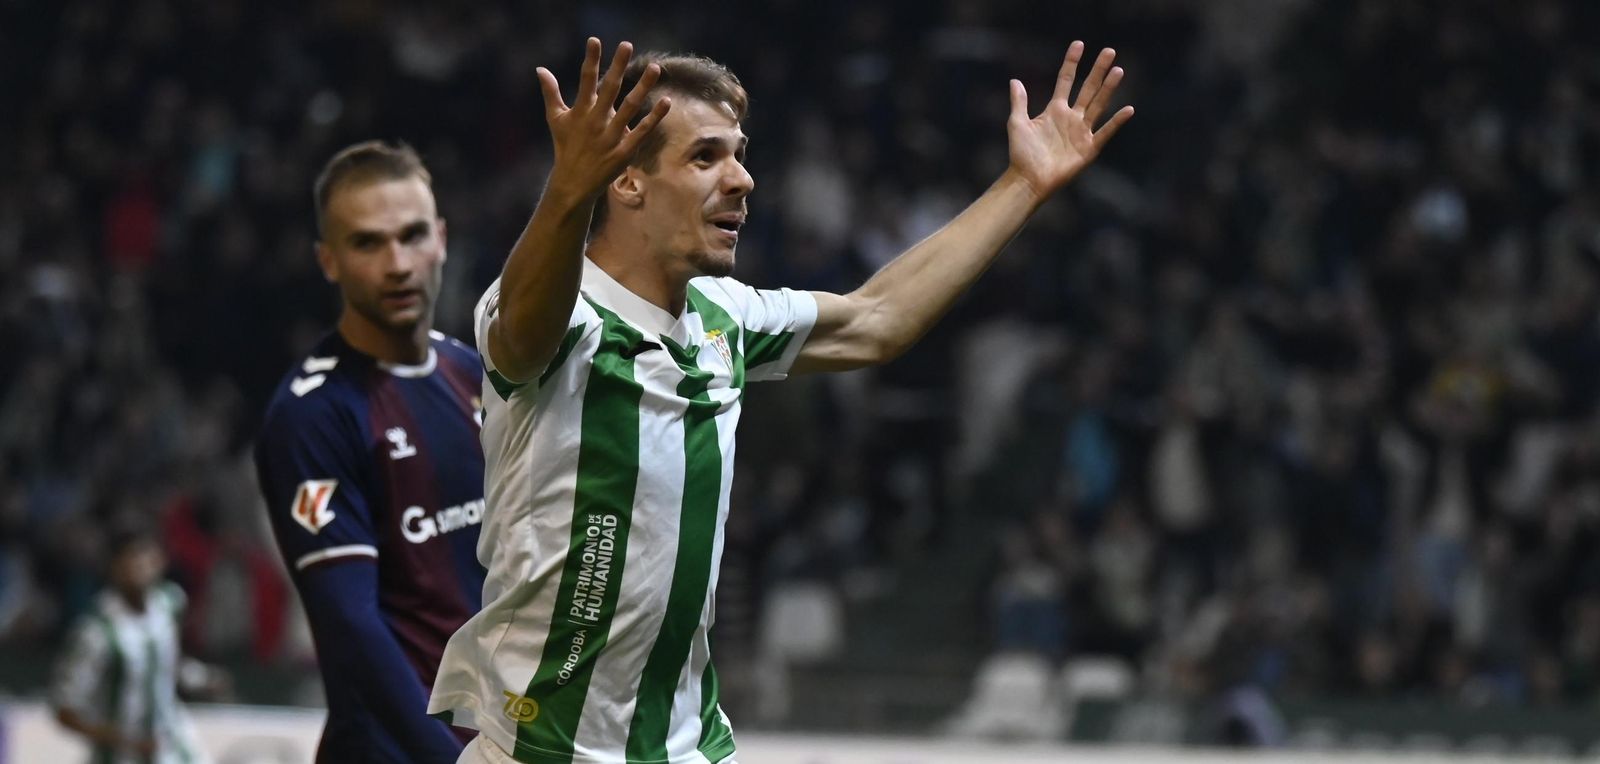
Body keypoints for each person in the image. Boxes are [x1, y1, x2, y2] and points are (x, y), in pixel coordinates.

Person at [429, 38, 1133, 764]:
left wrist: (1023, 185)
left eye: (738, 153)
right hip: (541, 749)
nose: (742, 179)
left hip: (687, 748)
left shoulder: (724, 316)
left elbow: (876, 319)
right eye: (705, 157)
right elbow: (521, 330)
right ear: (627, 180)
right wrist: (567, 191)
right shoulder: (559, 316)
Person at [253, 141, 488, 762]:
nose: (397, 263)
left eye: (412, 236)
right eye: (367, 243)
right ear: (328, 260)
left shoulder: (471, 373)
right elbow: (352, 629)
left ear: (441, 238)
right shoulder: (312, 414)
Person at [51, 529, 221, 763]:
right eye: (132, 558)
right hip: (120, 756)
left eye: (148, 557)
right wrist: (125, 739)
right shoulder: (97, 631)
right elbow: (65, 710)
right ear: (115, 567)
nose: (141, 566)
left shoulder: (170, 602)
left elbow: (167, 663)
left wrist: (200, 677)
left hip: (171, 746)